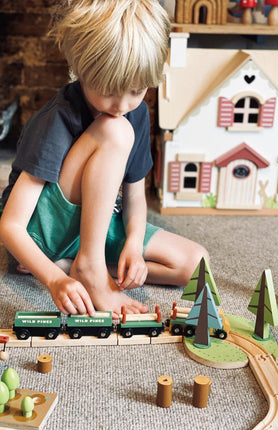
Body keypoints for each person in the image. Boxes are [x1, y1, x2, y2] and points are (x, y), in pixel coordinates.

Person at [0, 0, 208, 319]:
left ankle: (76, 264)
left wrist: (134, 245)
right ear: (82, 71)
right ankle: (89, 266)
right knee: (115, 131)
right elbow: (11, 225)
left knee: (195, 262)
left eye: (137, 90)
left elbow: (135, 196)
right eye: (109, 89)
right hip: (44, 228)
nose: (122, 104)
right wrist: (53, 280)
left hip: (94, 224)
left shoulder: (135, 112)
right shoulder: (57, 119)